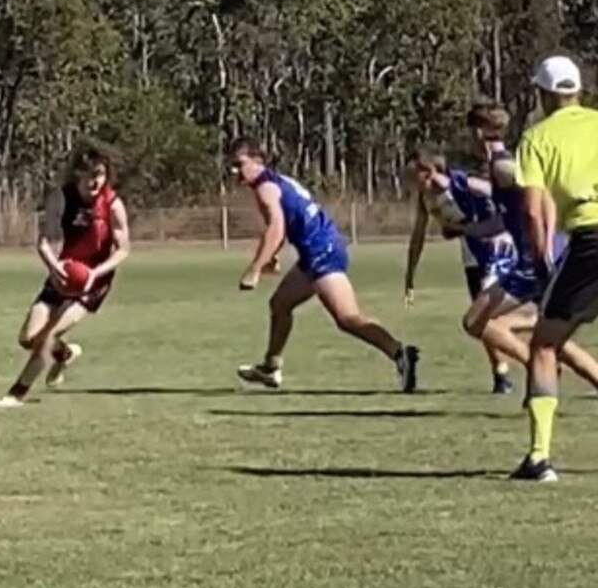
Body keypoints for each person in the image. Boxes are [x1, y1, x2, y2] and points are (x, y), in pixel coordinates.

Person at [231, 136, 419, 392]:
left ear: (257, 160)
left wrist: (254, 270)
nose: (234, 171)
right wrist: (272, 256)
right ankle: (271, 368)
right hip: (316, 251)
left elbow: (276, 229)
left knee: (347, 317)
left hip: (322, 250)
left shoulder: (266, 188)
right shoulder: (273, 183)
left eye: (239, 164)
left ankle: (399, 353)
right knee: (280, 304)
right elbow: (284, 224)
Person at [457, 100, 598, 431]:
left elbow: (542, 200)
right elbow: (501, 223)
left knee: (476, 321)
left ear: (477, 132)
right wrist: (466, 229)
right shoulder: (499, 166)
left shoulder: (505, 167)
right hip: (530, 259)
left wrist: (544, 249)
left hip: (535, 261)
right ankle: (541, 358)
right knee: (554, 339)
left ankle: (534, 363)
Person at [510, 55, 598, 481]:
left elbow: (531, 210)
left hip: (589, 242)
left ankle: (539, 456)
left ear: (544, 95)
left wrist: (542, 260)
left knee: (544, 344)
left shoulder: (536, 138)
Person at [0, 143, 130, 408]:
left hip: (95, 282)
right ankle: (65, 354)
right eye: (90, 174)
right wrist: (54, 267)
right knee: (28, 338)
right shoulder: (61, 198)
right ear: (78, 173)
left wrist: (94, 273)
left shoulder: (112, 205)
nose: (95, 181)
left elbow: (123, 250)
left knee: (47, 337)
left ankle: (17, 393)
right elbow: (44, 241)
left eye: (100, 174)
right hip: (64, 272)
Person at [403, 147, 517, 393]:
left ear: (427, 171)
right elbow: (418, 236)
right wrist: (410, 274)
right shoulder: (426, 199)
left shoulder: (460, 184)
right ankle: (501, 371)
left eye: (413, 176)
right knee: (482, 319)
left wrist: (485, 227)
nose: (410, 183)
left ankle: (518, 362)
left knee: (483, 317)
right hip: (471, 256)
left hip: (495, 250)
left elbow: (502, 202)